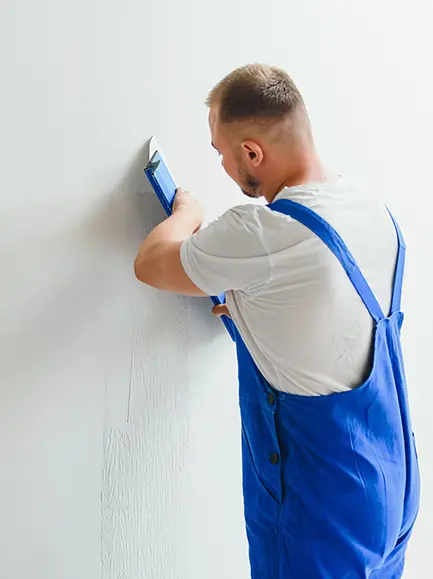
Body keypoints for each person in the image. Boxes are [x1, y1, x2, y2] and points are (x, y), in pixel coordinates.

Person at [134, 64, 420, 578]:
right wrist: (250, 309)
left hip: (320, 504)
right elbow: (329, 312)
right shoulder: (372, 210)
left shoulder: (264, 231)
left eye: (220, 151)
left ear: (251, 152)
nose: (221, 163)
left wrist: (186, 214)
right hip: (390, 488)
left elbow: (151, 265)